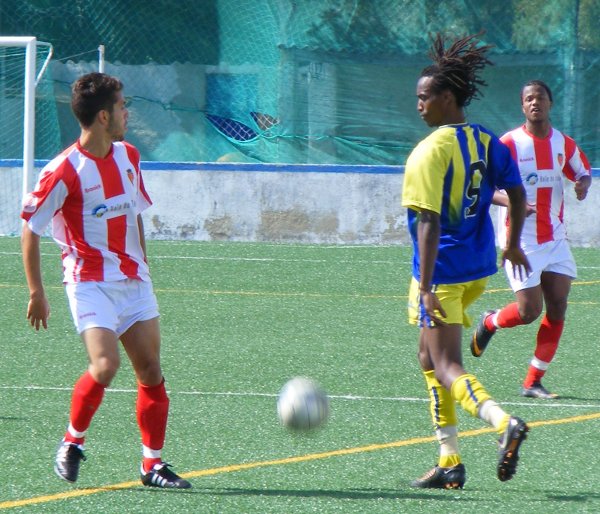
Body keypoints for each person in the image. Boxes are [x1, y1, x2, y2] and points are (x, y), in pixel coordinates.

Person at [21, 72, 191, 489]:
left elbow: (134, 212)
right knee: (105, 365)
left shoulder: (128, 155)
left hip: (133, 280)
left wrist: (143, 264)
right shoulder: (64, 170)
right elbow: (30, 228)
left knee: (151, 370)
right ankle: (72, 442)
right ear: (102, 116)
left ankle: (152, 465)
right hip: (89, 282)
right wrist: (37, 292)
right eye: (121, 106)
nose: (126, 112)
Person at [402, 32, 533, 490]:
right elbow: (517, 193)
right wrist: (512, 244)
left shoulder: (429, 151)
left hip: (442, 272)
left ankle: (503, 423)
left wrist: (426, 287)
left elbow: (429, 222)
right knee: (426, 355)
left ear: (448, 97)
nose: (419, 105)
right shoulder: (486, 140)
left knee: (445, 364)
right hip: (477, 268)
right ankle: (449, 460)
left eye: (424, 97)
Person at [471, 80, 592, 399]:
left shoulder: (563, 143)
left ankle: (533, 381)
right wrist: (513, 202)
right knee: (529, 311)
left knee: (558, 305)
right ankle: (491, 321)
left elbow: (583, 171)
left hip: (555, 237)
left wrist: (583, 184)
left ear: (550, 103)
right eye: (528, 99)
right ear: (522, 106)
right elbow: (484, 188)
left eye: (540, 97)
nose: (534, 102)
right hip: (521, 241)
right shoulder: (508, 144)